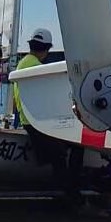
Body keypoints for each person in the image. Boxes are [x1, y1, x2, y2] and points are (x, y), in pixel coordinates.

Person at [13, 27, 83, 197]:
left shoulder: (22, 64)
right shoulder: (37, 68)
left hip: (28, 120)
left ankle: (64, 190)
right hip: (36, 124)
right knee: (75, 147)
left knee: (62, 152)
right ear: (46, 49)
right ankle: (72, 196)